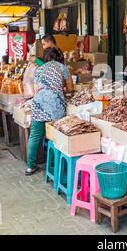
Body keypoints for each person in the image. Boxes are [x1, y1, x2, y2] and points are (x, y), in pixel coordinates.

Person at [25, 47, 74, 176]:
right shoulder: (62, 67)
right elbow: (70, 88)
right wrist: (61, 88)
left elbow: (36, 90)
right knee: (56, 135)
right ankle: (54, 163)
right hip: (55, 104)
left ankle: (30, 166)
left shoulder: (39, 69)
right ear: (59, 57)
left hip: (38, 104)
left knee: (35, 135)